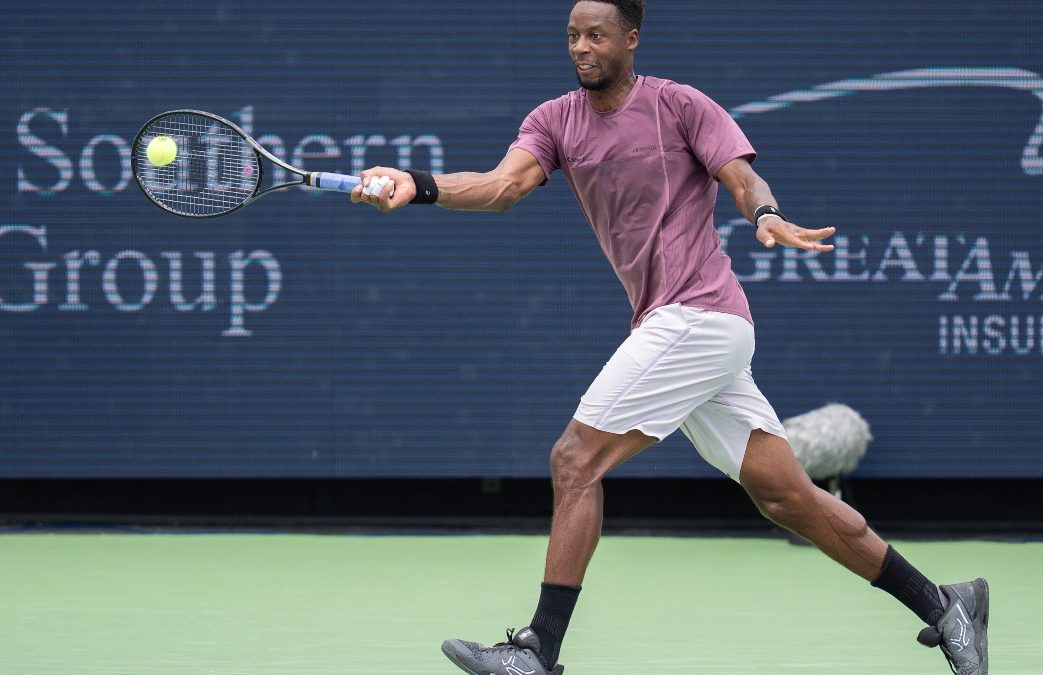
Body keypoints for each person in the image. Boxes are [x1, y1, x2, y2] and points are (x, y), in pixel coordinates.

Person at [352, 1, 989, 673]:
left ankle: (538, 649)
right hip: (688, 328)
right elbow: (501, 185)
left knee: (575, 461)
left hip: (698, 316)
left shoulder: (680, 106)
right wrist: (417, 183)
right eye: (572, 36)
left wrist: (765, 214)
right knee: (787, 496)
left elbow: (742, 177)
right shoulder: (555, 120)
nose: (581, 47)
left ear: (631, 38)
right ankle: (946, 604)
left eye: (596, 35)